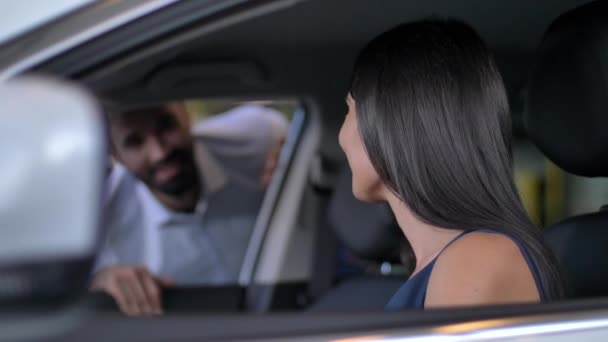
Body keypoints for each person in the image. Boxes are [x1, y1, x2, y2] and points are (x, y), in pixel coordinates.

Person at [338, 19, 563, 309]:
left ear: (391, 124)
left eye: (349, 109)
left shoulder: (476, 259)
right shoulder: (455, 261)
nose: (341, 136)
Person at [92, 102, 287, 316]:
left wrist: (288, 157)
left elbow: (292, 132)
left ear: (185, 115)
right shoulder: (102, 225)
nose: (159, 153)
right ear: (115, 154)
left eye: (166, 126)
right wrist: (100, 283)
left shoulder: (254, 139)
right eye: (135, 142)